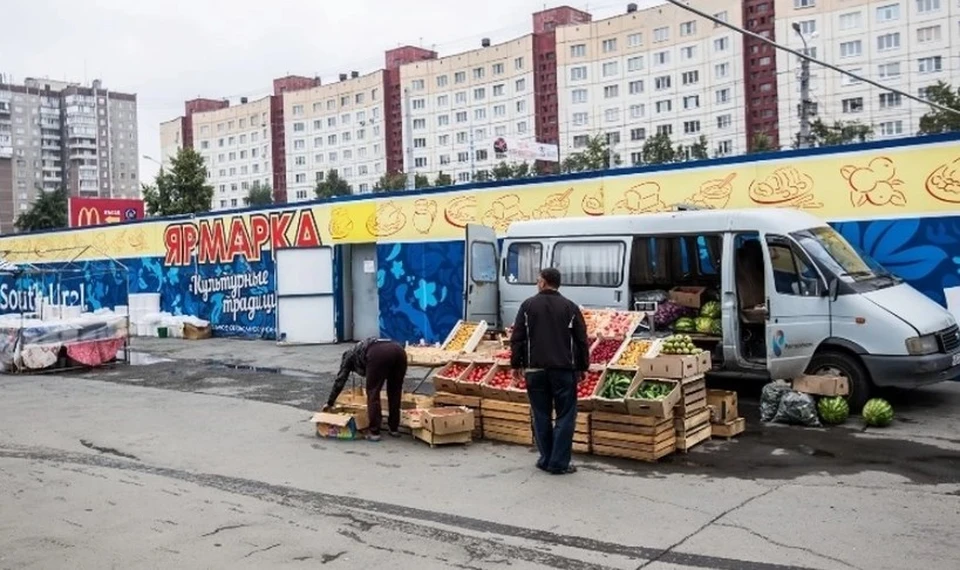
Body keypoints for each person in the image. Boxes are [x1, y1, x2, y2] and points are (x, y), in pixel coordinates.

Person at [510, 268, 589, 475]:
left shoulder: (527, 306)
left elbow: (517, 337)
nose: (537, 283)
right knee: (565, 416)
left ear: (544, 283)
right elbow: (581, 339)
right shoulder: (570, 307)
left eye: (538, 280)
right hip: (564, 370)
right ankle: (559, 463)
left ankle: (545, 459)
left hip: (535, 369)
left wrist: (515, 364)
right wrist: (583, 367)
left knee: (541, 414)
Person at [325, 338, 408, 441]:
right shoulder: (359, 349)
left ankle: (374, 432)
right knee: (395, 391)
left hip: (378, 353)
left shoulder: (348, 357)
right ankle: (394, 428)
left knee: (373, 392)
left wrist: (330, 402)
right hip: (399, 350)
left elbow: (340, 380)